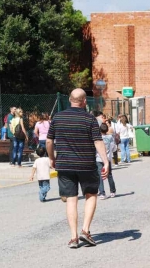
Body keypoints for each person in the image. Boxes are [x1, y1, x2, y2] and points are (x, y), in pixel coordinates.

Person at [46, 88, 109, 249]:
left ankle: (73, 237)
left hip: (65, 164)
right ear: (84, 101)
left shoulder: (57, 117)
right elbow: (98, 141)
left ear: (69, 99)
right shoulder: (90, 119)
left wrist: (52, 158)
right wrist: (106, 161)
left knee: (71, 199)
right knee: (91, 195)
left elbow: (48, 141)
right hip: (86, 164)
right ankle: (85, 230)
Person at [97, 123, 117, 200]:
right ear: (107, 130)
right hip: (107, 159)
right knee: (109, 175)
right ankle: (112, 191)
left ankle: (102, 193)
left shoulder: (98, 137)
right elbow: (114, 147)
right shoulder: (110, 137)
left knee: (100, 176)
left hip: (98, 159)